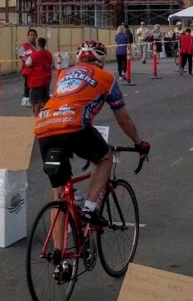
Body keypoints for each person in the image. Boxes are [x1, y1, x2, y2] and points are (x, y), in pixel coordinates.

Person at [35, 41, 149, 230]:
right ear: (101, 60)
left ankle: (60, 257)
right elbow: (123, 120)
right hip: (74, 126)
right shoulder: (106, 77)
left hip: (44, 126)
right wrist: (138, 142)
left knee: (59, 195)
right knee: (105, 158)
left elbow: (75, 102)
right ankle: (89, 208)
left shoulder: (63, 74)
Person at [25, 36, 54, 117]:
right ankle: (46, 115)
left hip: (36, 81)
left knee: (36, 100)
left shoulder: (34, 55)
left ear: (37, 44)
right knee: (45, 99)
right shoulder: (49, 54)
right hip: (46, 80)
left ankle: (35, 116)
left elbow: (27, 64)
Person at [18, 28, 38, 106]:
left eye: (34, 35)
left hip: (36, 70)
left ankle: (34, 99)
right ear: (27, 36)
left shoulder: (37, 46)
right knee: (27, 85)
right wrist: (30, 62)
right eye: (30, 35)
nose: (32, 36)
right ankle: (25, 99)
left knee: (35, 86)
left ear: (36, 36)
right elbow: (22, 57)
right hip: (27, 69)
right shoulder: (24, 46)